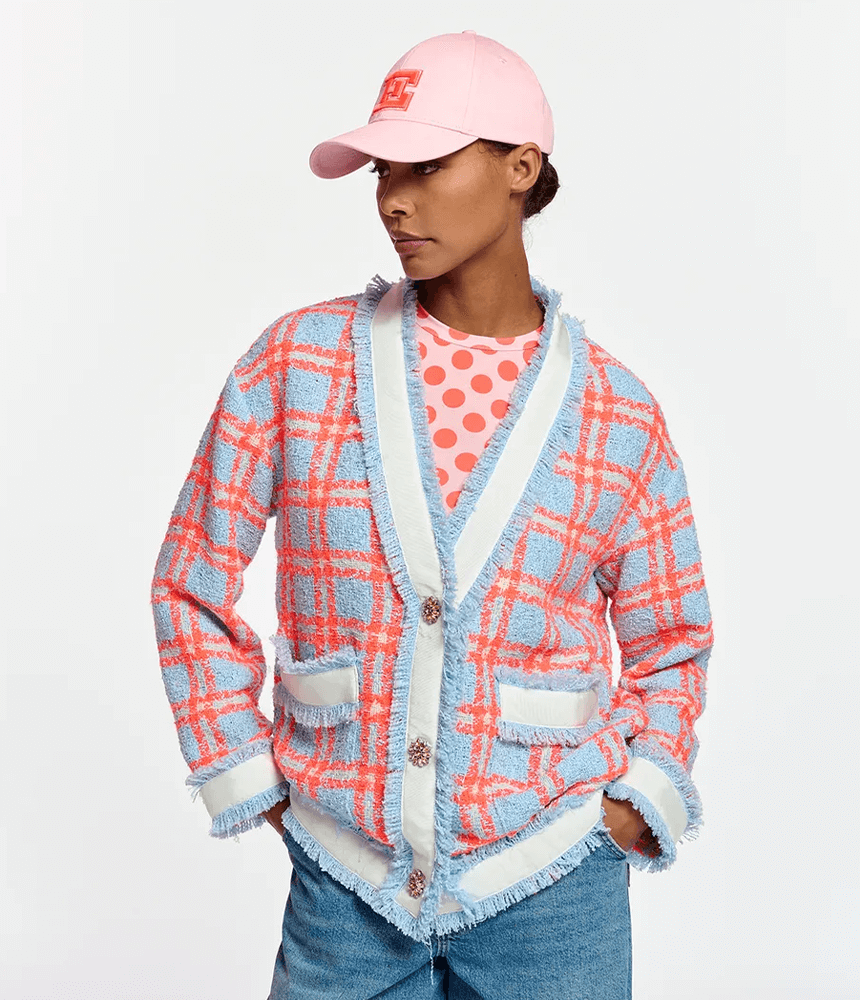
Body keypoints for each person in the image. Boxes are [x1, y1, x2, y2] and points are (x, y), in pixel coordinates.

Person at [150, 30, 714, 1000]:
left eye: (426, 166)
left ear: (519, 168)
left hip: (552, 881)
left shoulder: (616, 414)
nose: (393, 200)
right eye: (382, 172)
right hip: (345, 885)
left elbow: (672, 640)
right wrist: (247, 772)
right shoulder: (297, 365)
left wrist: (634, 799)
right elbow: (189, 579)